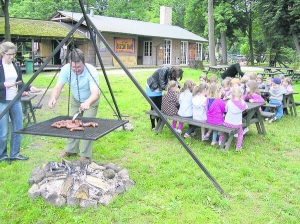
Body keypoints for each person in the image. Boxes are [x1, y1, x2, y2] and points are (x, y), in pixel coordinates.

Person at [48, 48, 100, 161]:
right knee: (72, 123)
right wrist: (53, 98)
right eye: (73, 67)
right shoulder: (66, 69)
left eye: (79, 67)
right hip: (76, 100)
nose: (76, 69)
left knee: (87, 126)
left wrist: (87, 102)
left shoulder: (91, 71)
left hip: (90, 100)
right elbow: (58, 87)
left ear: (84, 62)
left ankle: (85, 155)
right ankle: (71, 150)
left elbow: (95, 94)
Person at [0, 41, 30, 164]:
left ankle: (14, 154)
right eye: (9, 54)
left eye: (13, 54)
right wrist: (3, 85)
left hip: (15, 100)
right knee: (4, 131)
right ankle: (2, 156)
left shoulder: (15, 65)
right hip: (3, 101)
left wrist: (29, 88)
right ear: (2, 53)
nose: (12, 57)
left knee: (18, 127)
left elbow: (20, 81)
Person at [223, 87, 248, 151]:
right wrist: (241, 100)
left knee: (223, 129)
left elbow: (226, 110)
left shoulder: (229, 102)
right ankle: (238, 147)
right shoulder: (242, 103)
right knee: (240, 133)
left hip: (227, 123)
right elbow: (246, 107)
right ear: (240, 94)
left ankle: (221, 141)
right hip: (237, 124)